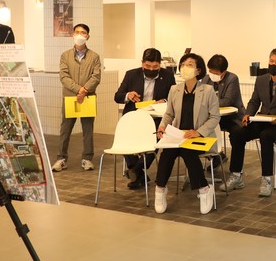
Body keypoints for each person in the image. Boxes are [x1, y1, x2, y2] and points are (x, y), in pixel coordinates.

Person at [224, 47, 276, 197]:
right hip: (262, 120)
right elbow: (254, 101)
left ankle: (267, 179)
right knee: (237, 133)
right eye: (271, 61)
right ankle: (236, 175)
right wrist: (248, 114)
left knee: (266, 136)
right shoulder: (261, 80)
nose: (273, 64)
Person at [154, 53, 220, 214]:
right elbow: (169, 114)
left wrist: (198, 132)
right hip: (178, 136)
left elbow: (215, 117)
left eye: (190, 65)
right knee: (167, 152)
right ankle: (160, 189)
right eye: (183, 64)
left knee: (188, 151)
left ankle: (204, 189)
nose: (185, 67)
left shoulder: (208, 90)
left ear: (198, 70)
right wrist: (162, 127)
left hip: (200, 138)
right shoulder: (174, 90)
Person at [113, 48, 175, 189]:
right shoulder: (131, 75)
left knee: (157, 137)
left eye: (155, 67)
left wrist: (164, 101)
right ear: (142, 63)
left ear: (160, 65)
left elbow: (173, 98)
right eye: (148, 66)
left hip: (156, 117)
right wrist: (128, 95)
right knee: (124, 136)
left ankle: (136, 171)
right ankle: (139, 173)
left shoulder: (167, 76)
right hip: (134, 116)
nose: (151, 69)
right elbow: (117, 96)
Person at [52, 24, 101, 172]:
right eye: (77, 32)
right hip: (70, 97)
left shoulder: (94, 56)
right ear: (73, 35)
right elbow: (64, 76)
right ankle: (61, 158)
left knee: (88, 129)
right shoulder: (65, 55)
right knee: (65, 129)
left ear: (88, 36)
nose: (80, 35)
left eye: (83, 32)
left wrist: (84, 91)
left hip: (88, 97)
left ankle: (87, 158)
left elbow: (96, 77)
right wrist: (79, 90)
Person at [202, 54, 245, 133]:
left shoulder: (232, 79)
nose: (212, 75)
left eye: (215, 73)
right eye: (210, 71)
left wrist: (209, 103)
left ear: (224, 72)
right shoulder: (206, 79)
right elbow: (201, 97)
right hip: (211, 116)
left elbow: (227, 101)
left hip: (231, 117)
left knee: (236, 132)